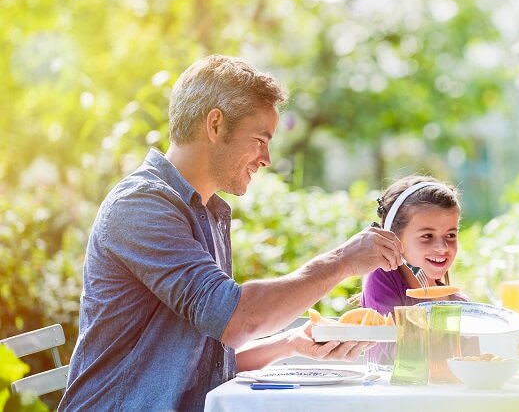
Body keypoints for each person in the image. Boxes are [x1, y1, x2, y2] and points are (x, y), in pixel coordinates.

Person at [62, 55, 404, 412]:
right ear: (215, 124)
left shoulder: (206, 211)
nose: (267, 158)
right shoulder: (141, 207)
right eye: (259, 139)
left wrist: (289, 343)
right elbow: (237, 320)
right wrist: (344, 260)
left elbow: (205, 365)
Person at [361, 175, 470, 313]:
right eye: (427, 236)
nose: (443, 247)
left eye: (450, 235)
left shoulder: (461, 304)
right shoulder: (381, 279)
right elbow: (394, 334)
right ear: (393, 238)